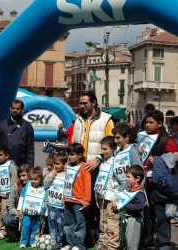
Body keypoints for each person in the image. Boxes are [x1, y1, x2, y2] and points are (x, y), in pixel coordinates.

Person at [72, 91, 114, 245]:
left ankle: (100, 234)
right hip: (81, 168)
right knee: (83, 201)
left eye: (84, 103)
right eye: (80, 103)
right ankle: (87, 234)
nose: (81, 106)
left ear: (94, 102)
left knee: (98, 202)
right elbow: (73, 143)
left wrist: (98, 159)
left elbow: (112, 144)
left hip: (99, 168)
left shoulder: (106, 120)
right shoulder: (78, 120)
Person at [137, 110, 178, 249]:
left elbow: (176, 157)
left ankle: (164, 245)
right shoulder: (141, 137)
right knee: (147, 217)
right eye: (146, 122)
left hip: (159, 184)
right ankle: (147, 242)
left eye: (151, 122)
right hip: (144, 183)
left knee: (161, 216)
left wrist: (156, 160)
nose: (147, 125)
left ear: (160, 124)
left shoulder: (166, 139)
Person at [62, 143, 91, 250]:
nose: (69, 156)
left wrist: (86, 200)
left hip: (79, 201)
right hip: (69, 199)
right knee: (68, 223)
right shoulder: (68, 167)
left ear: (79, 155)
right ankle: (70, 243)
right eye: (68, 154)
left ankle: (79, 245)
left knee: (80, 224)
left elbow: (87, 185)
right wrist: (64, 199)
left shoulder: (84, 167)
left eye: (72, 154)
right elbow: (66, 183)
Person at [0, 99, 34, 167]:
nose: (15, 110)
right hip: (3, 163)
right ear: (10, 109)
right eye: (13, 108)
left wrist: (29, 166)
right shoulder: (1, 125)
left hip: (20, 163)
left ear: (22, 110)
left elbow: (30, 149)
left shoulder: (27, 127)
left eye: (17, 109)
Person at [94, 136, 120, 250]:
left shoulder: (117, 162)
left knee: (112, 223)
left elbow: (120, 182)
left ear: (113, 148)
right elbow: (100, 180)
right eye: (102, 149)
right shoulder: (103, 162)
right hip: (102, 197)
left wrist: (116, 198)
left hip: (112, 198)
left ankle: (113, 245)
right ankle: (104, 243)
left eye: (105, 149)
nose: (103, 151)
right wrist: (97, 196)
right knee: (103, 221)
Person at [0, 145, 18, 240]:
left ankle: (3, 230)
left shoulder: (10, 165)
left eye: (1, 155)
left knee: (4, 212)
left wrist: (12, 193)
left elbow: (14, 180)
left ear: (7, 155)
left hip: (7, 195)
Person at [113, 165, 146, 250]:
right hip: (126, 219)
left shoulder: (139, 192)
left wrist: (125, 205)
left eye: (128, 177)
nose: (126, 179)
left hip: (134, 220)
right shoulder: (129, 189)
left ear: (137, 178)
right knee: (125, 239)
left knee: (132, 241)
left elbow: (140, 206)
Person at [17, 166, 46, 248]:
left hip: (37, 214)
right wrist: (19, 209)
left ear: (40, 179)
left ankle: (33, 241)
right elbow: (22, 197)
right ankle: (24, 242)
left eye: (35, 179)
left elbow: (45, 201)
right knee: (26, 227)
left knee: (35, 229)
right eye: (31, 179)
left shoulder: (43, 188)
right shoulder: (27, 187)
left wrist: (44, 212)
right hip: (27, 213)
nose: (33, 181)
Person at [44, 152, 67, 249]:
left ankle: (60, 241)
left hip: (60, 205)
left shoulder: (66, 175)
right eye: (54, 164)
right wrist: (51, 174)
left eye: (58, 164)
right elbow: (45, 184)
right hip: (51, 204)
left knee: (60, 224)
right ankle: (53, 240)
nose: (55, 166)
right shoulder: (52, 174)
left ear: (64, 164)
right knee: (51, 223)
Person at [3, 164, 31, 239]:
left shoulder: (35, 185)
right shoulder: (15, 186)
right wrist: (18, 213)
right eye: (20, 176)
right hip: (19, 215)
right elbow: (9, 205)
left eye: (24, 175)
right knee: (7, 220)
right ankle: (17, 232)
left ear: (30, 174)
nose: (22, 178)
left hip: (32, 215)